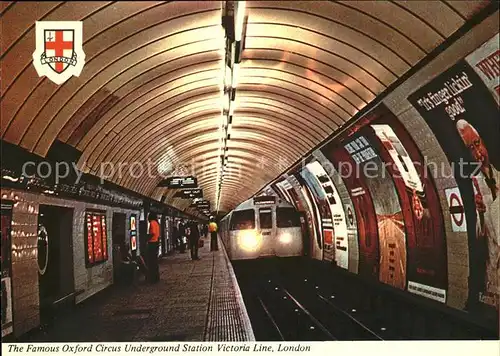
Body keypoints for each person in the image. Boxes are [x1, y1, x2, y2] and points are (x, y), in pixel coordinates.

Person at [147, 213, 160, 283]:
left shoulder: (152, 223)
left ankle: (152, 278)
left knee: (151, 261)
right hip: (156, 242)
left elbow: (153, 233)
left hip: (152, 243)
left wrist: (146, 238)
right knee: (155, 261)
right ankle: (156, 276)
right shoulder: (157, 223)